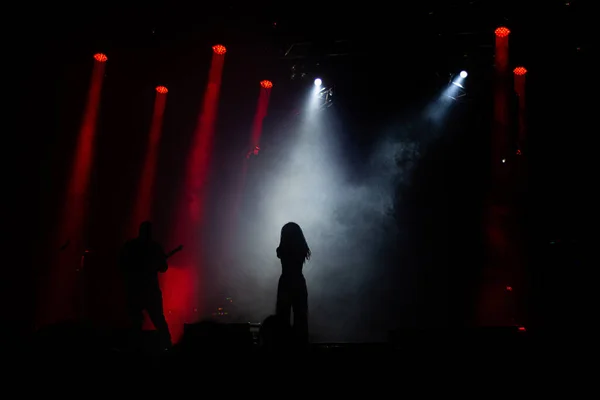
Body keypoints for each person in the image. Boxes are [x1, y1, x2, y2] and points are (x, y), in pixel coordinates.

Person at [120, 221, 171, 349]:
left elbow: (122, 264)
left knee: (135, 322)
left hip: (134, 290)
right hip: (150, 290)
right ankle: (168, 348)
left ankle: (134, 348)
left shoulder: (131, 246)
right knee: (159, 320)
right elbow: (163, 268)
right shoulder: (155, 247)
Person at [275, 222, 311, 346]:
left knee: (282, 317)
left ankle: (282, 346)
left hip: (286, 281)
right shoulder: (301, 248)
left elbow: (280, 253)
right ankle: (301, 346)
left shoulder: (282, 249)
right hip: (299, 281)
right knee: (301, 317)